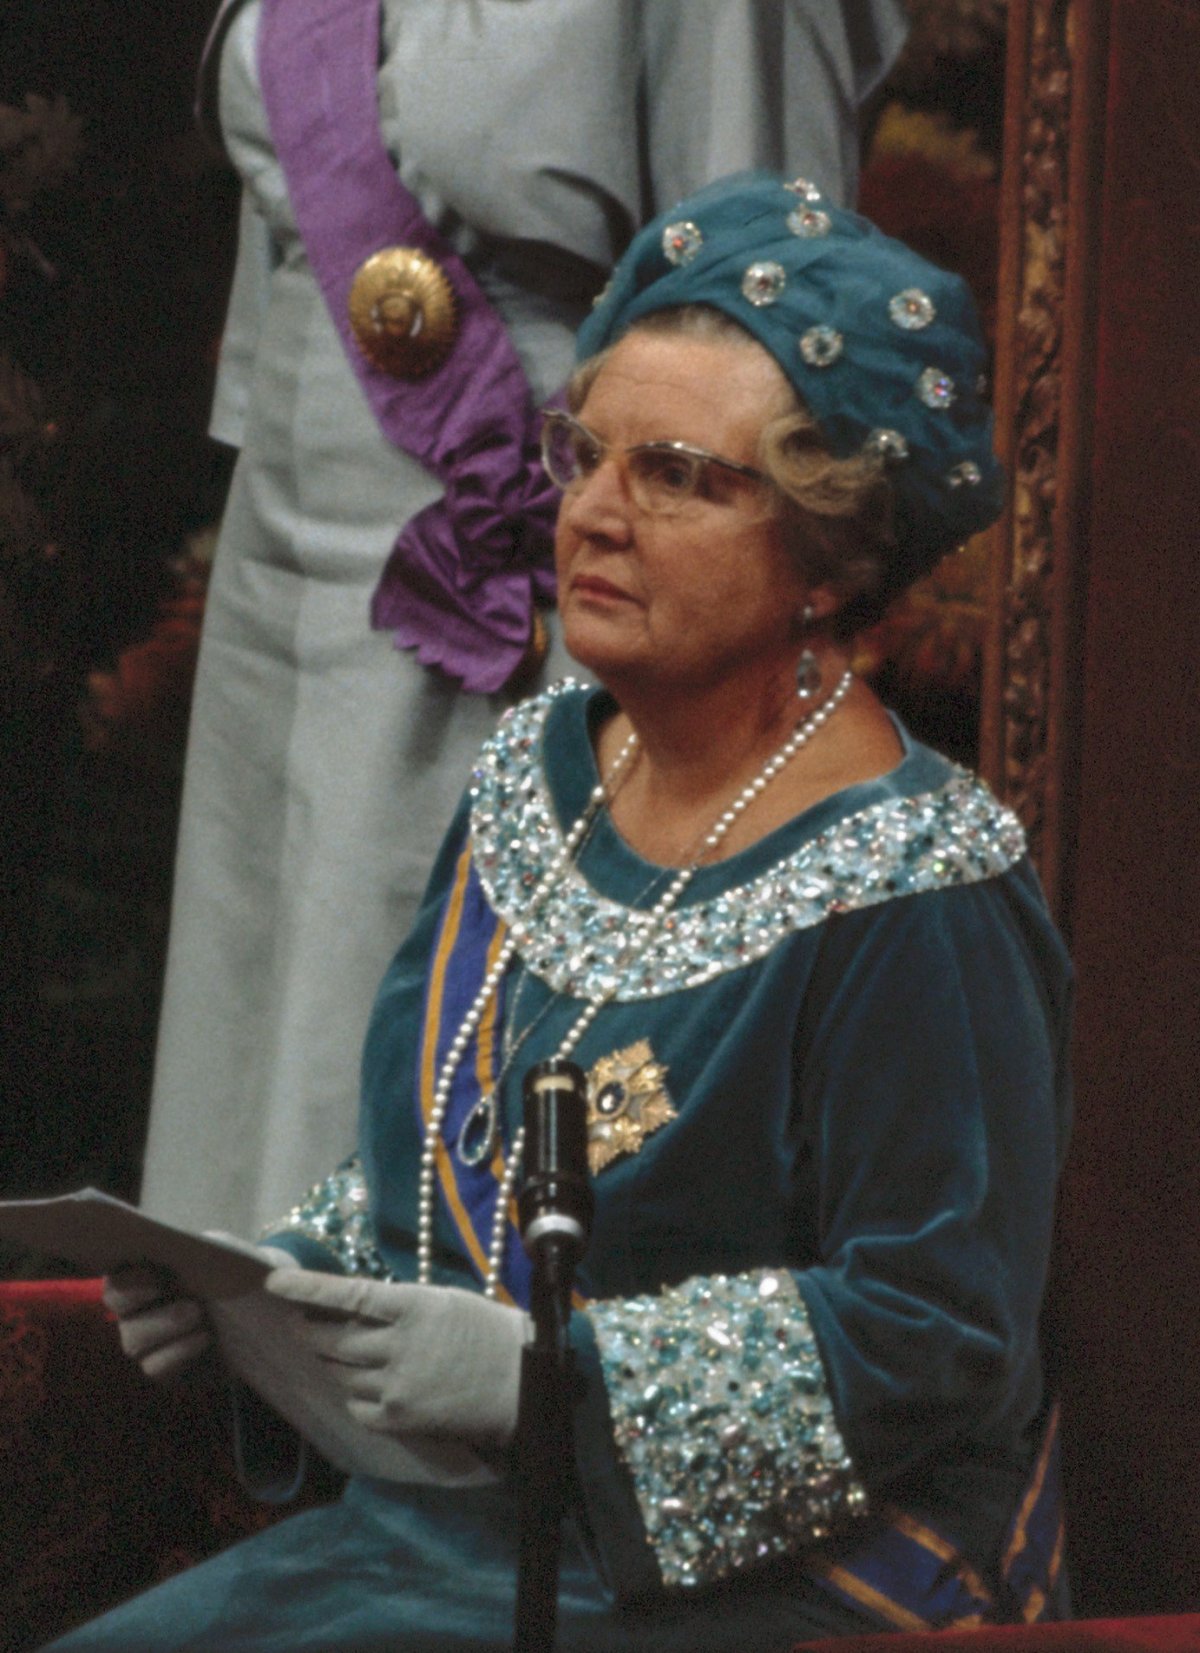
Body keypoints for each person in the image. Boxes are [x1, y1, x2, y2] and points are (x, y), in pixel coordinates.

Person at [56, 171, 1072, 1649]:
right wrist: (262, 1305)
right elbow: (418, 1181)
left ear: (827, 548)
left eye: (676, 476)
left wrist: (561, 1378)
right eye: (582, 453)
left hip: (765, 1589)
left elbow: (940, 1339)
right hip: (451, 1529)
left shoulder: (922, 889)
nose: (591, 514)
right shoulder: (541, 770)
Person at [138, 0, 910, 1241]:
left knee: (447, 1076)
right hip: (285, 550)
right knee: (249, 1074)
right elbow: (294, 239)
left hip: (551, 549)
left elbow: (767, 308)